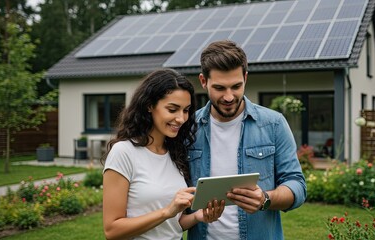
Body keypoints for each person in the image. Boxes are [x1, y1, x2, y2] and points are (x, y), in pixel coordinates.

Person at [186, 40, 307, 240]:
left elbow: (297, 186)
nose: (228, 96)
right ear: (203, 81)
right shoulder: (188, 129)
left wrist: (265, 199)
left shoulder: (274, 124)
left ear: (245, 78)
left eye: (236, 86)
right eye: (219, 88)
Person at [101, 68, 225, 240]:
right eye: (172, 109)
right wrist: (167, 211)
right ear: (149, 105)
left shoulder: (176, 153)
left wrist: (198, 216)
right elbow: (112, 230)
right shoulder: (124, 152)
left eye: (186, 110)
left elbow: (172, 225)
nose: (181, 118)